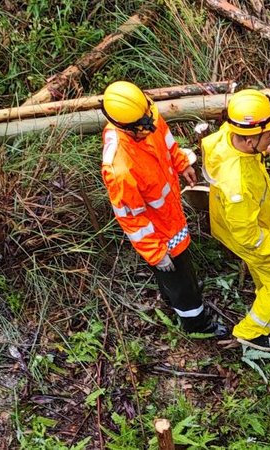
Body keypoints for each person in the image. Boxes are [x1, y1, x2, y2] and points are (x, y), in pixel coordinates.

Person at [100, 80, 227, 338]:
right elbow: (132, 219)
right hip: (158, 233)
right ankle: (197, 323)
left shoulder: (147, 117)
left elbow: (168, 144)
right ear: (126, 127)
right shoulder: (119, 167)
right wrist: (156, 253)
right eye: (143, 129)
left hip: (171, 215)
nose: (151, 128)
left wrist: (182, 164)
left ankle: (174, 297)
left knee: (178, 273)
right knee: (179, 277)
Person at [201, 89, 270, 351]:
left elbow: (245, 144)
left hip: (228, 225)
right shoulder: (238, 184)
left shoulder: (226, 135)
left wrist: (268, 148)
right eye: (269, 135)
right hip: (250, 234)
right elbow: (247, 233)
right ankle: (252, 332)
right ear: (249, 142)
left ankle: (266, 289)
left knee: (266, 270)